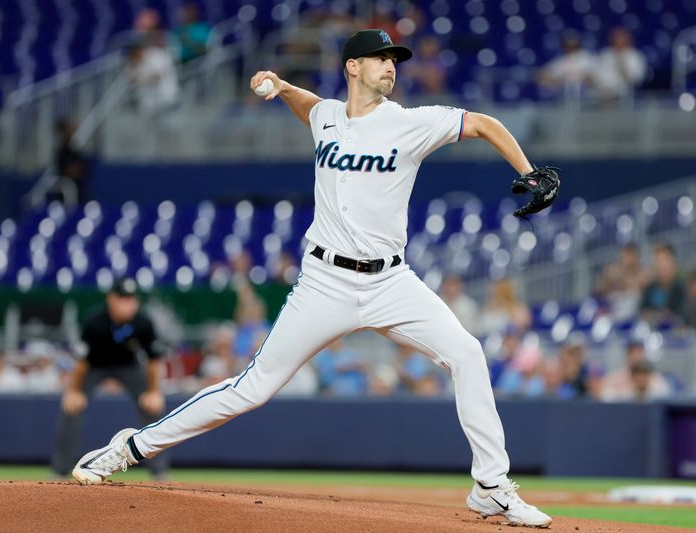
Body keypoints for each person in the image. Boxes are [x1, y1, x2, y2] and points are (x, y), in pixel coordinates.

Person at [72, 29, 552, 528]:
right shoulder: (326, 116)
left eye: (394, 60)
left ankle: (491, 487)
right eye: (379, 58)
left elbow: (483, 123)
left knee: (467, 353)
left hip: (392, 282)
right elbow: (313, 109)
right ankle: (129, 447)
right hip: (325, 283)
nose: (391, 66)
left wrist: (529, 170)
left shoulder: (411, 123)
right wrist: (281, 87)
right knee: (251, 389)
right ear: (352, 67)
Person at [52, 278, 168, 479]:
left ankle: (159, 471)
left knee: (152, 407)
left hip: (129, 366)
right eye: (122, 298)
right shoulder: (95, 321)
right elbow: (81, 362)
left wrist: (153, 391)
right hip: (94, 366)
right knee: (72, 406)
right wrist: (74, 391)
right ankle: (60, 470)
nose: (127, 304)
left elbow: (153, 361)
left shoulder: (142, 322)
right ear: (111, 299)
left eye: (131, 299)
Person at [594, 243, 649, 321]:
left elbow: (644, 287)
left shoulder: (643, 273)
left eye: (630, 256)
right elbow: (598, 290)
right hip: (614, 308)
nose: (627, 259)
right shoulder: (614, 271)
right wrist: (608, 280)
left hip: (634, 311)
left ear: (636, 257)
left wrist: (625, 281)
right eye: (625, 256)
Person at [600, 340, 670, 402]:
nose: (636, 356)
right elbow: (606, 397)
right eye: (633, 352)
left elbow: (664, 398)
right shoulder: (615, 379)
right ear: (627, 355)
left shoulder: (655, 378)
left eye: (639, 352)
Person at [591, 27, 647, 103]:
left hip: (622, 94)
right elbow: (594, 74)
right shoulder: (605, 54)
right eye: (616, 38)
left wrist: (620, 61)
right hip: (600, 93)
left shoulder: (635, 56)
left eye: (621, 38)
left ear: (628, 39)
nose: (618, 41)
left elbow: (635, 79)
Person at [536, 31, 596, 99]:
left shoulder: (588, 57)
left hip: (587, 97)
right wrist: (555, 80)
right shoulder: (561, 60)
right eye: (567, 44)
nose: (570, 46)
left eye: (573, 43)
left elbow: (594, 78)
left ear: (578, 43)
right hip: (565, 96)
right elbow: (541, 74)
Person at [640, 244, 685, 327]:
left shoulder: (682, 287)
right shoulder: (650, 288)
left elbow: (684, 315)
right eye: (657, 261)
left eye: (664, 260)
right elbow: (643, 312)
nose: (661, 265)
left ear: (673, 261)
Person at [53, 119, 90, 205]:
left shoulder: (73, 149)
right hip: (65, 192)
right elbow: (67, 169)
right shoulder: (62, 151)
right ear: (63, 132)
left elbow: (83, 167)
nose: (71, 130)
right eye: (68, 128)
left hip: (78, 191)